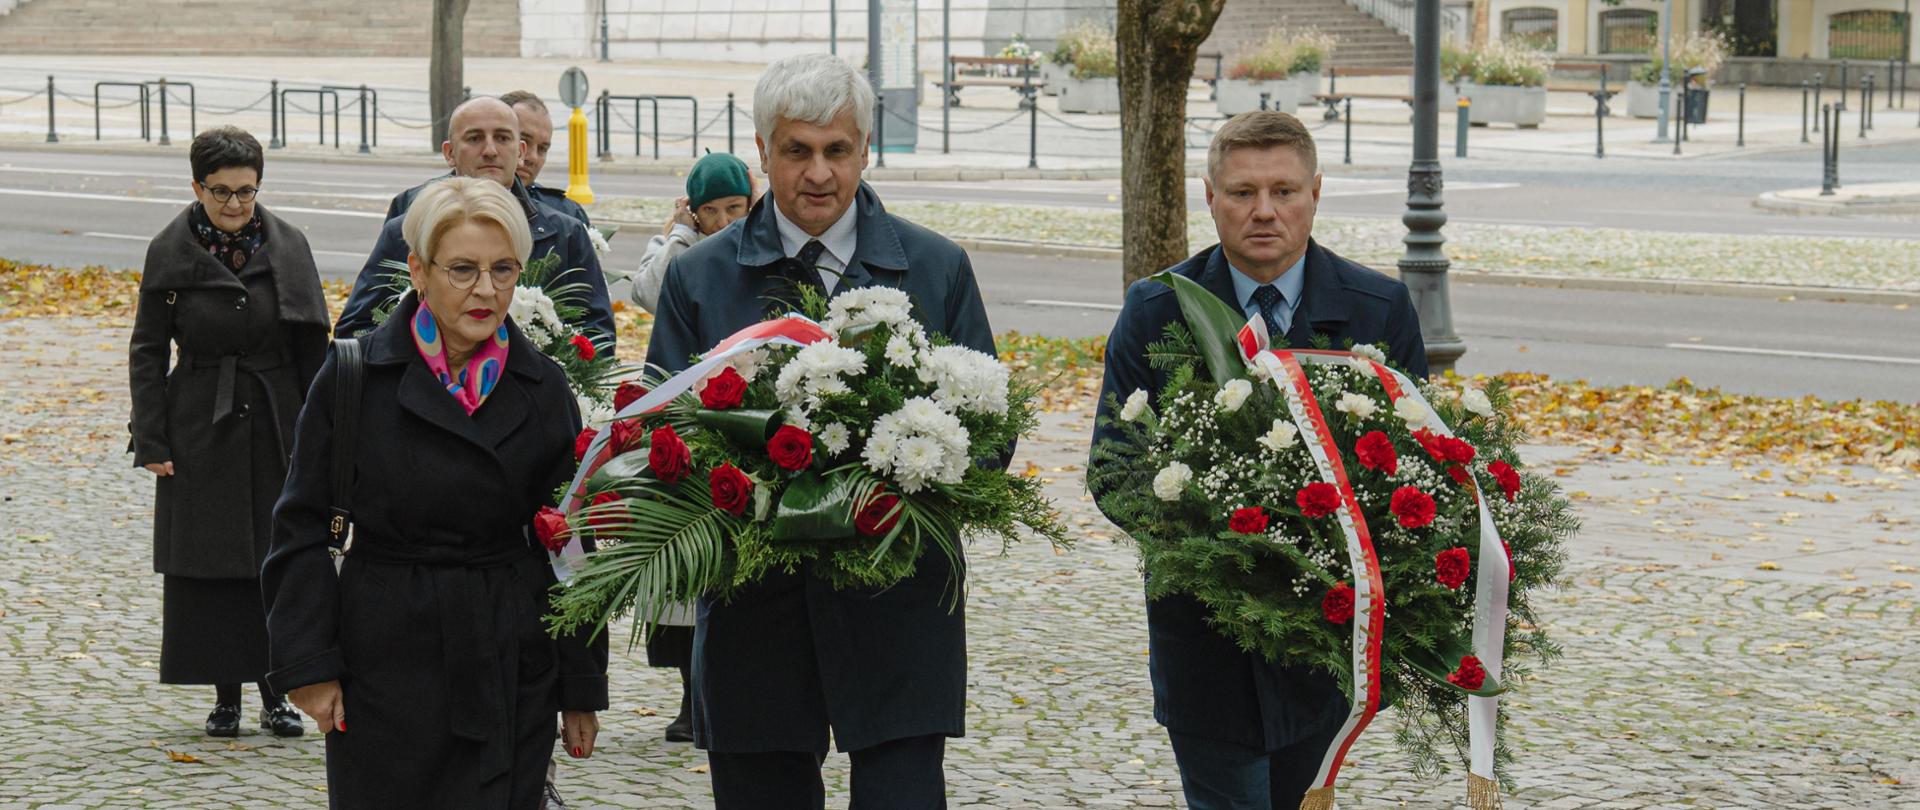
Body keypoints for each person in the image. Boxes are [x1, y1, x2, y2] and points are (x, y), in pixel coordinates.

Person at [645, 53, 1000, 810]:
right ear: (762, 150)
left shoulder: (935, 268)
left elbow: (991, 439)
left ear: (865, 149)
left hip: (898, 601)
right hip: (752, 612)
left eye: (837, 149)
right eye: (796, 150)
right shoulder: (700, 277)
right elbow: (665, 439)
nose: (818, 173)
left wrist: (902, 479)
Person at [1088, 111, 1427, 810]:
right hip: (1205, 633)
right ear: (1210, 198)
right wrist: (1221, 548)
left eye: (1284, 191)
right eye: (1243, 192)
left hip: (1327, 635)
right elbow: (1114, 469)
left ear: (1316, 194)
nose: (1264, 211)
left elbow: (1417, 467)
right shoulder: (1156, 310)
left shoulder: (1378, 308)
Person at [262, 178, 608, 808]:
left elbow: (569, 542)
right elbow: (301, 524)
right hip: (385, 659)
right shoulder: (355, 376)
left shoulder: (543, 387)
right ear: (419, 271)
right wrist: (308, 664)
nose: (486, 290)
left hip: (510, 658)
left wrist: (580, 682)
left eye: (503, 269)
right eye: (463, 269)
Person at [127, 126, 328, 740]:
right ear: (197, 187)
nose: (236, 204)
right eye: (221, 192)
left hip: (276, 420)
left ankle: (277, 693)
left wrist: (321, 434)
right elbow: (147, 349)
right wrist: (152, 439)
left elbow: (312, 348)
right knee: (211, 565)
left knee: (276, 559)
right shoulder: (169, 249)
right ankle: (225, 698)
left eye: (246, 191)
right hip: (199, 422)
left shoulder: (289, 245)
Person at [333, 96, 616, 347]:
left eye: (502, 138)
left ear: (519, 151)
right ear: (449, 153)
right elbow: (356, 329)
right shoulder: (406, 230)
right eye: (474, 138)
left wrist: (547, 370)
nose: (490, 150)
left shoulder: (566, 234)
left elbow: (597, 335)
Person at [628, 151, 753, 314]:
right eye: (710, 210)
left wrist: (762, 216)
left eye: (733, 207)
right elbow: (650, 298)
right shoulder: (668, 246)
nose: (723, 222)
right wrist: (683, 233)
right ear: (694, 211)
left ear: (749, 205)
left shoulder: (761, 245)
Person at [497, 89, 592, 228]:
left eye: (542, 149)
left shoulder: (568, 215)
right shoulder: (462, 206)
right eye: (523, 141)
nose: (533, 157)